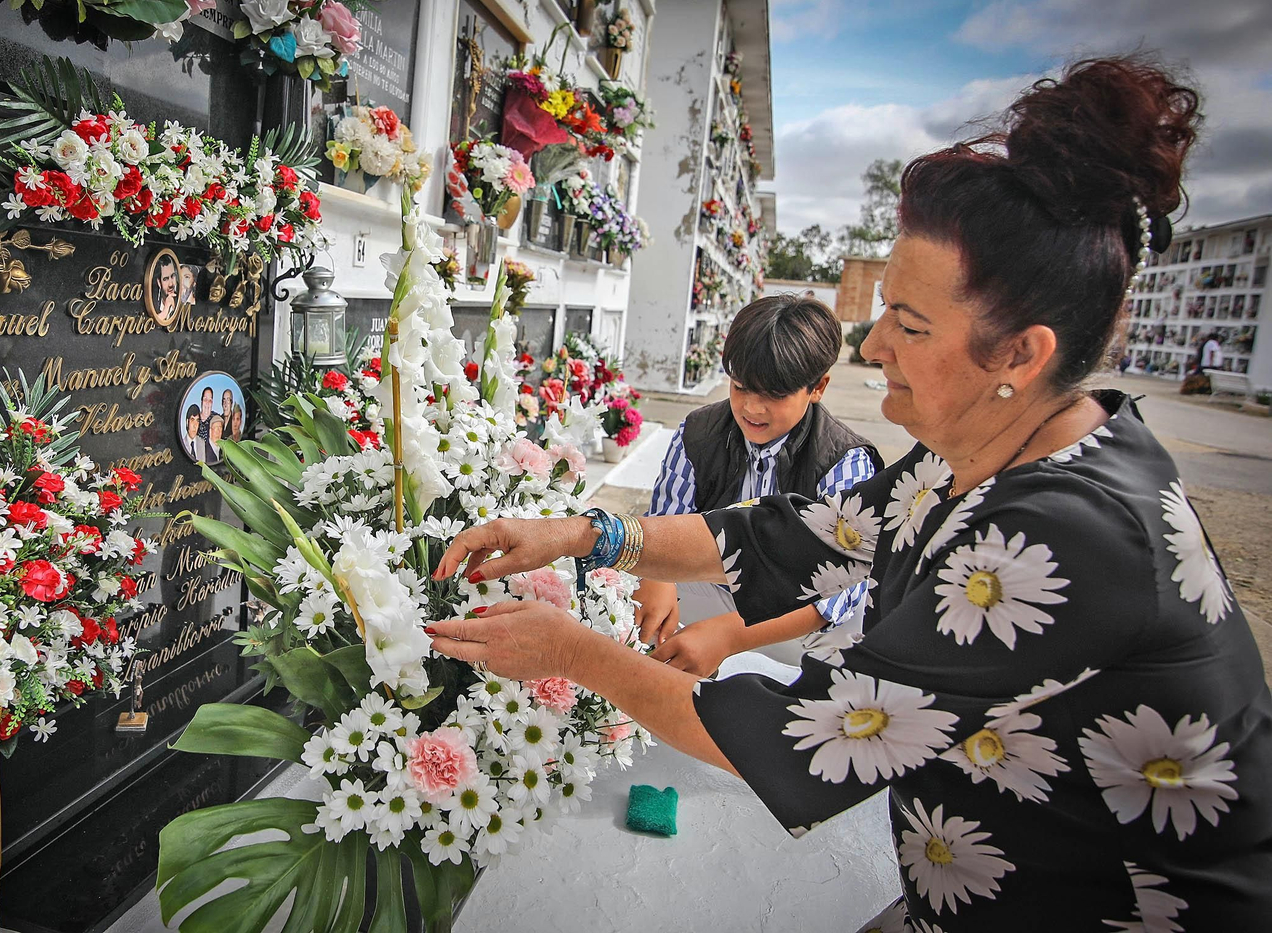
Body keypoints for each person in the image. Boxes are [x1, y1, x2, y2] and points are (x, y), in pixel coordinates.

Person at [425, 57, 1270, 930]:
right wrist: (579, 535)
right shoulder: (972, 456)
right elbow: (791, 536)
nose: (873, 352)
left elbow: (813, 734)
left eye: (908, 325)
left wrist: (576, 653)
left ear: (1021, 354)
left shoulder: (1067, 534)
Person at [638, 295, 884, 678]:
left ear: (817, 387)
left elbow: (837, 595)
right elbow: (662, 526)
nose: (752, 408)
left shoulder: (844, 461)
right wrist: (658, 576)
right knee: (636, 582)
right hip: (717, 591)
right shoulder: (698, 433)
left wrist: (729, 636)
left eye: (774, 394)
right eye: (740, 387)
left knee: (847, 640)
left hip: (799, 619)